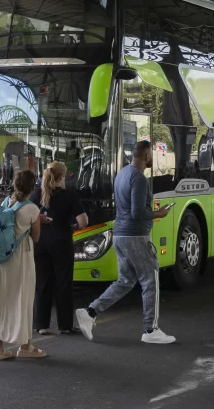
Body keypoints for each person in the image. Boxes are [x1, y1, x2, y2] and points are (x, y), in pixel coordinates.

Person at [76, 141, 175, 345]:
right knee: (151, 278)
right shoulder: (139, 178)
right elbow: (138, 213)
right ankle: (150, 329)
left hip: (120, 235)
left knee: (125, 281)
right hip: (136, 236)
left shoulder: (121, 174)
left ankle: (91, 312)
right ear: (147, 156)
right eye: (151, 157)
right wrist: (159, 213)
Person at [0, 170, 44, 360]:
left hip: (3, 257)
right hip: (21, 257)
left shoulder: (6, 202)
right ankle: (25, 346)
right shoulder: (32, 208)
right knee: (23, 298)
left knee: (2, 300)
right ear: (32, 187)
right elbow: (36, 236)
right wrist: (39, 221)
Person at [32, 162, 88, 335]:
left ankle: (41, 325)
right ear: (62, 177)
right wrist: (72, 226)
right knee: (63, 284)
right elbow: (83, 221)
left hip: (39, 243)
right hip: (62, 243)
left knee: (42, 283)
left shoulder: (36, 194)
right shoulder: (69, 196)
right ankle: (65, 325)